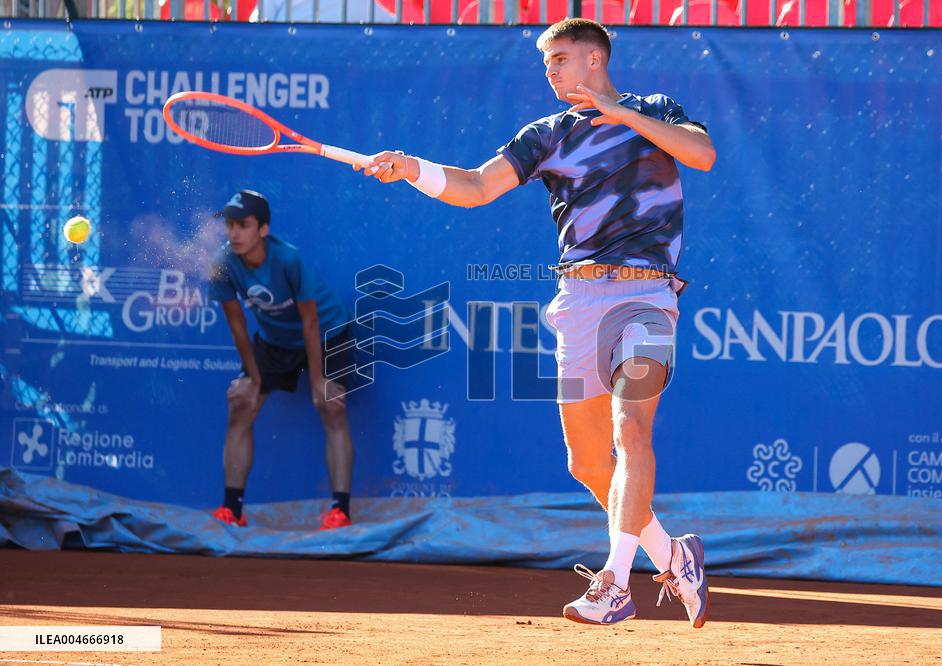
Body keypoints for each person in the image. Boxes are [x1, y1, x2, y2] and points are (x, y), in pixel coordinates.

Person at [357, 18, 715, 627]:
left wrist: (618, 113)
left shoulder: (657, 109)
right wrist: (413, 167)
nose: (549, 70)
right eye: (545, 62)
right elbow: (475, 187)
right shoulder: (545, 135)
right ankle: (673, 556)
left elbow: (701, 154)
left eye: (560, 58)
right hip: (578, 303)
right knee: (586, 463)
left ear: (596, 59)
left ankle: (615, 582)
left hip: (648, 296)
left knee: (631, 426)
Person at [207, 189, 356, 530]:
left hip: (327, 332)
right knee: (241, 405)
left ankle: (340, 511)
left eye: (243, 225)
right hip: (275, 341)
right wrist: (253, 380)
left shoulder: (288, 259)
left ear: (262, 229)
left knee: (332, 405)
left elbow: (311, 321)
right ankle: (232, 509)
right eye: (230, 225)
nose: (234, 233)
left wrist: (318, 382)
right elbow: (237, 325)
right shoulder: (224, 263)